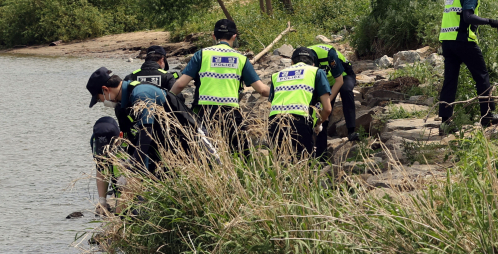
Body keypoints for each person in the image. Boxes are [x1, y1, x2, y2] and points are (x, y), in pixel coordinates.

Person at [170, 18, 269, 156]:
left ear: (214, 36)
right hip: (230, 113)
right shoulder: (240, 58)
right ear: (234, 36)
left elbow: (180, 84)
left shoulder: (202, 54)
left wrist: (167, 99)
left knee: (205, 153)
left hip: (204, 112)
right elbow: (262, 90)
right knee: (241, 153)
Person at [438, 0, 498, 131]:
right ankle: (488, 116)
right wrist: (490, 21)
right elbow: (468, 17)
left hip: (447, 42)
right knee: (481, 76)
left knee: (450, 81)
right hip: (463, 41)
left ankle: (445, 122)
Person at [88, 67, 184, 174]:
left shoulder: (139, 94)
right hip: (170, 144)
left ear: (105, 89)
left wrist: (133, 169)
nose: (103, 101)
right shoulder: (128, 97)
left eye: (99, 98)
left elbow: (146, 134)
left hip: (186, 141)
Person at [267, 47, 333, 160]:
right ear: (313, 63)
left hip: (275, 122)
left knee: (278, 165)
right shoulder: (317, 72)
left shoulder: (276, 75)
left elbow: (271, 102)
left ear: (292, 62)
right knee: (304, 163)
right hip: (300, 121)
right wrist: (318, 124)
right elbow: (327, 109)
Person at [307, 42, 360, 153]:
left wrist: (326, 102)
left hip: (344, 76)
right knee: (321, 114)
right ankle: (321, 153)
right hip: (326, 81)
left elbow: (339, 81)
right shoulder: (302, 57)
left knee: (345, 91)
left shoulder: (328, 54)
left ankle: (351, 131)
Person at [90, 116, 124, 214]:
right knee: (104, 165)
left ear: (120, 136)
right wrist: (102, 201)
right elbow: (101, 169)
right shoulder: (95, 141)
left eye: (110, 148)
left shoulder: (131, 140)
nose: (107, 152)